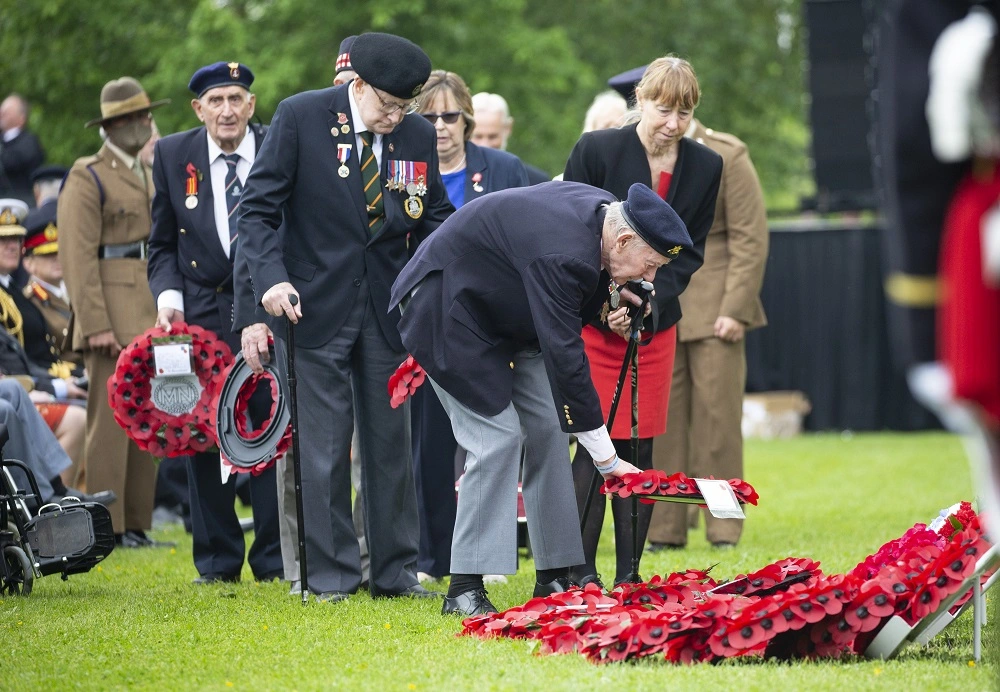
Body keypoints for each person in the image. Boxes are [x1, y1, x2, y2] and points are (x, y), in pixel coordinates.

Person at [391, 181, 691, 615]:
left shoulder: (603, 221)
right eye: (650, 265)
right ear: (624, 240)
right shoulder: (565, 252)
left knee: (550, 428)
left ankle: (554, 576)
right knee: (497, 437)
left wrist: (612, 298)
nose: (650, 279)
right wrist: (607, 459)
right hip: (447, 308)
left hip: (506, 314)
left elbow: (575, 290)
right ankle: (463, 588)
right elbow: (566, 359)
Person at [235, 32, 452, 603]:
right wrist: (270, 280)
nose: (396, 117)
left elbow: (433, 217)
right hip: (312, 304)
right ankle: (331, 578)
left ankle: (395, 573)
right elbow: (257, 212)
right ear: (358, 85)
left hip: (387, 309)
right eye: (388, 104)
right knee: (325, 448)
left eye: (405, 107)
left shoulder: (416, 135)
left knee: (390, 448)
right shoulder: (301, 117)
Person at [563, 56, 722, 586]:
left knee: (640, 444)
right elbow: (575, 231)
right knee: (594, 442)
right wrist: (608, 303)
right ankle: (581, 573)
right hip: (595, 320)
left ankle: (629, 575)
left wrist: (647, 303)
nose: (673, 124)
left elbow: (689, 252)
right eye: (663, 110)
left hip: (655, 324)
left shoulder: (706, 166)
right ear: (640, 102)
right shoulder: (597, 150)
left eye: (684, 113)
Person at [147, 61, 282, 584]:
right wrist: (169, 299)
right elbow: (161, 243)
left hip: (265, 305)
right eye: (216, 101)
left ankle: (274, 559)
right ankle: (217, 560)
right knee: (200, 431)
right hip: (199, 311)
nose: (227, 110)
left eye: (236, 99)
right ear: (198, 109)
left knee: (270, 426)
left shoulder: (276, 145)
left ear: (251, 105)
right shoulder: (172, 154)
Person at [411, 69, 529, 581]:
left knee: (495, 442)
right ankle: (432, 557)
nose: (439, 126)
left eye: (449, 116)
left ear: (467, 119)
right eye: (428, 117)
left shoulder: (502, 168)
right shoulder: (403, 170)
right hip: (427, 322)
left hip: (490, 323)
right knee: (430, 445)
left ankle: (491, 556)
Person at [646, 119, 769, 551]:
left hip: (716, 309)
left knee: (717, 425)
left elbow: (750, 238)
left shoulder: (726, 153)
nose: (670, 119)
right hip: (660, 305)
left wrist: (735, 308)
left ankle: (723, 527)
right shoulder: (642, 150)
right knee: (663, 426)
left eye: (679, 107)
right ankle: (665, 528)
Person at [58, 77, 168, 547]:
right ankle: (106, 525)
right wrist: (95, 324)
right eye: (137, 117)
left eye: (147, 114)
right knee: (109, 423)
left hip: (145, 301)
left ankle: (136, 522)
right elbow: (76, 258)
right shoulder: (89, 174)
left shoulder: (146, 170)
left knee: (146, 415)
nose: (146, 122)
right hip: (109, 307)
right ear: (115, 125)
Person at [470, 92, 550, 184]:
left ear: (508, 128)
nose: (485, 145)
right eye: (478, 137)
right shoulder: (458, 177)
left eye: (492, 137)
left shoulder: (534, 181)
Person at [0, 94, 45, 207]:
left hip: (21, 204)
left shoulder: (29, 141)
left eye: (7, 111)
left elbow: (13, 162)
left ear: (21, 118)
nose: (1, 113)